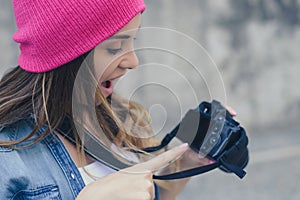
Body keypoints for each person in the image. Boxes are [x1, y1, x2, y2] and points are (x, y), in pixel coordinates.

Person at [0, 0, 237, 199]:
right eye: (115, 48)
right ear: (66, 57)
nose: (133, 61)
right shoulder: (7, 154)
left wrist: (186, 162)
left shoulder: (118, 116)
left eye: (132, 41)